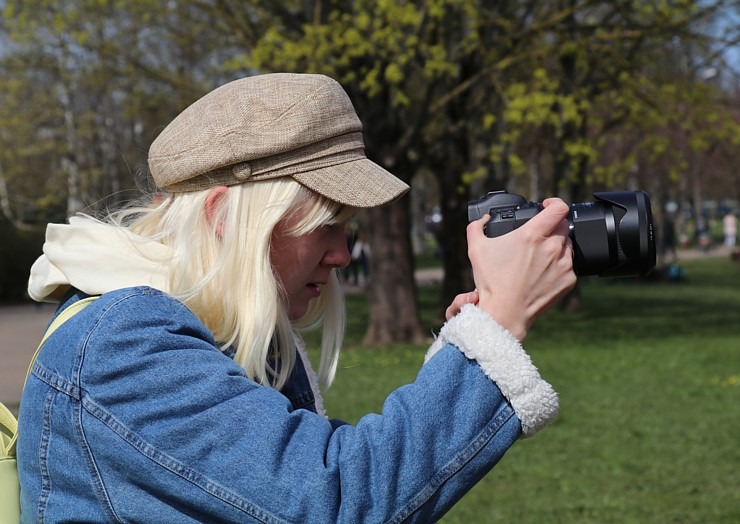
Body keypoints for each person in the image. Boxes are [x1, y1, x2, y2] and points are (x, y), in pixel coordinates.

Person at [19, 73, 576, 522]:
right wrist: (496, 324)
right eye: (324, 225)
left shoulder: (188, 331)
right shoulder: (125, 346)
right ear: (222, 218)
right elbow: (334, 500)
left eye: (347, 228)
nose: (341, 255)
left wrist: (468, 342)